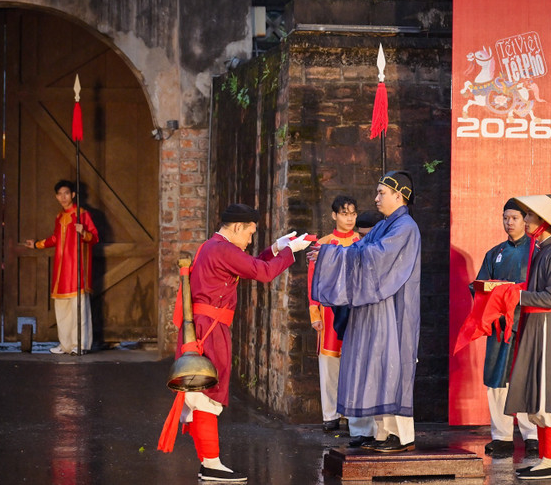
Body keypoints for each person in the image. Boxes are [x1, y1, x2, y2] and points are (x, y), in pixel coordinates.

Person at [158, 203, 312, 482]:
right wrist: (291, 252)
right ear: (238, 227)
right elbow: (263, 273)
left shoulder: (216, 247)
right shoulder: (222, 249)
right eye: (251, 234)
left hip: (207, 327)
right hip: (209, 330)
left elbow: (253, 265)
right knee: (205, 393)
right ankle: (211, 464)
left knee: (201, 392)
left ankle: (209, 462)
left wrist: (276, 249)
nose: (251, 241)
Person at [310, 170, 421, 453]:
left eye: (381, 193)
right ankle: (381, 433)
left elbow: (374, 257)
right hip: (376, 309)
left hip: (393, 310)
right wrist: (326, 254)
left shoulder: (405, 227)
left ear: (399, 195)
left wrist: (330, 255)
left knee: (393, 366)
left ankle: (400, 435)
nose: (376, 198)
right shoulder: (386, 225)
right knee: (377, 367)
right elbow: (360, 250)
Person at [503, 194, 551, 480]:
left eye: (530, 216)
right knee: (537, 394)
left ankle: (550, 461)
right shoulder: (543, 248)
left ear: (544, 221)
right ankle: (544, 458)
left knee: (547, 394)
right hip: (534, 325)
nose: (526, 220)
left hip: (545, 326)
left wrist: (515, 294)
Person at [471, 199, 538, 457]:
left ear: (525, 220)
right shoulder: (494, 253)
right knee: (497, 381)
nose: (509, 223)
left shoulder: (536, 250)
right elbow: (479, 285)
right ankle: (501, 436)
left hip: (525, 324)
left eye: (514, 218)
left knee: (525, 379)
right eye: (505, 218)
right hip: (499, 326)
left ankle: (531, 435)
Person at [306, 195, 374, 444]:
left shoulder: (363, 242)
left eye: (352, 213)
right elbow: (313, 281)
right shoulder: (323, 245)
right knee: (330, 365)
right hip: (329, 311)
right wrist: (314, 314)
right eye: (344, 213)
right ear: (334, 215)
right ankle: (330, 415)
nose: (349, 218)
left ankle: (350, 413)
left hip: (355, 310)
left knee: (354, 362)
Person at [25, 180, 99, 355]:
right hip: (61, 269)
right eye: (59, 194)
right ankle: (65, 345)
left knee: (78, 309)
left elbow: (94, 238)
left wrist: (84, 232)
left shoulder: (82, 215)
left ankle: (79, 345)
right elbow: (55, 239)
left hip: (77, 268)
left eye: (66, 193)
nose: (63, 197)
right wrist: (36, 244)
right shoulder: (59, 217)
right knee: (62, 308)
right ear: (56, 196)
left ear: (73, 195)